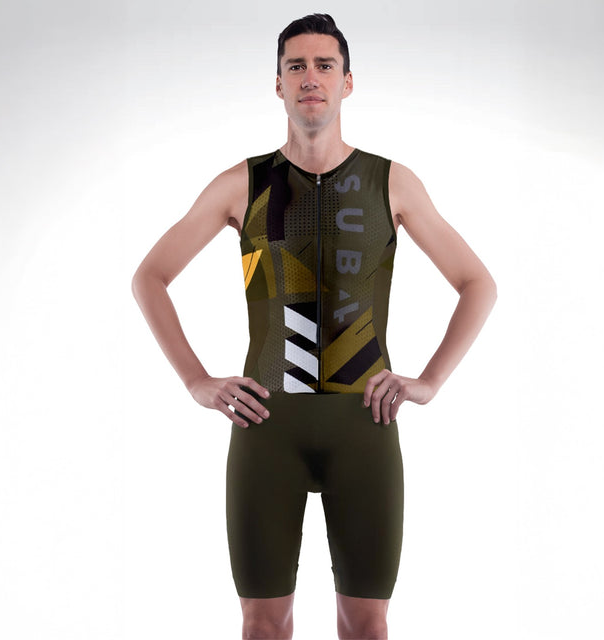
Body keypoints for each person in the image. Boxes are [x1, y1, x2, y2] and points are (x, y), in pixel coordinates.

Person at [131, 13, 497, 640]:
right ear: (277, 84)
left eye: (324, 65)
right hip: (267, 428)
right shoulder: (243, 184)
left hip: (364, 426)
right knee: (263, 625)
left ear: (346, 82)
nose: (310, 78)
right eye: (295, 66)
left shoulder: (391, 182)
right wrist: (196, 381)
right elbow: (151, 277)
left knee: (366, 625)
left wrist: (430, 381)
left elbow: (477, 283)